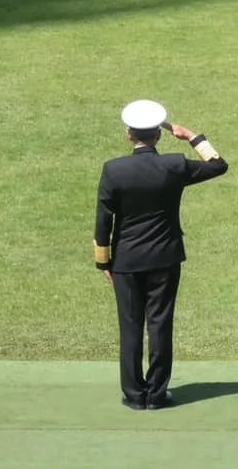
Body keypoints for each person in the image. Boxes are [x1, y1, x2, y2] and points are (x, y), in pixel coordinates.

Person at [94, 100, 228, 411]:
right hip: (165, 260)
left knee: (130, 327)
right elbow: (218, 165)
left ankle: (133, 394)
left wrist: (103, 260)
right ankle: (156, 394)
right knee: (160, 325)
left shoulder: (113, 170)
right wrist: (192, 136)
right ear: (159, 135)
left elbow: (103, 219)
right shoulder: (173, 165)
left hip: (126, 262)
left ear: (129, 135)